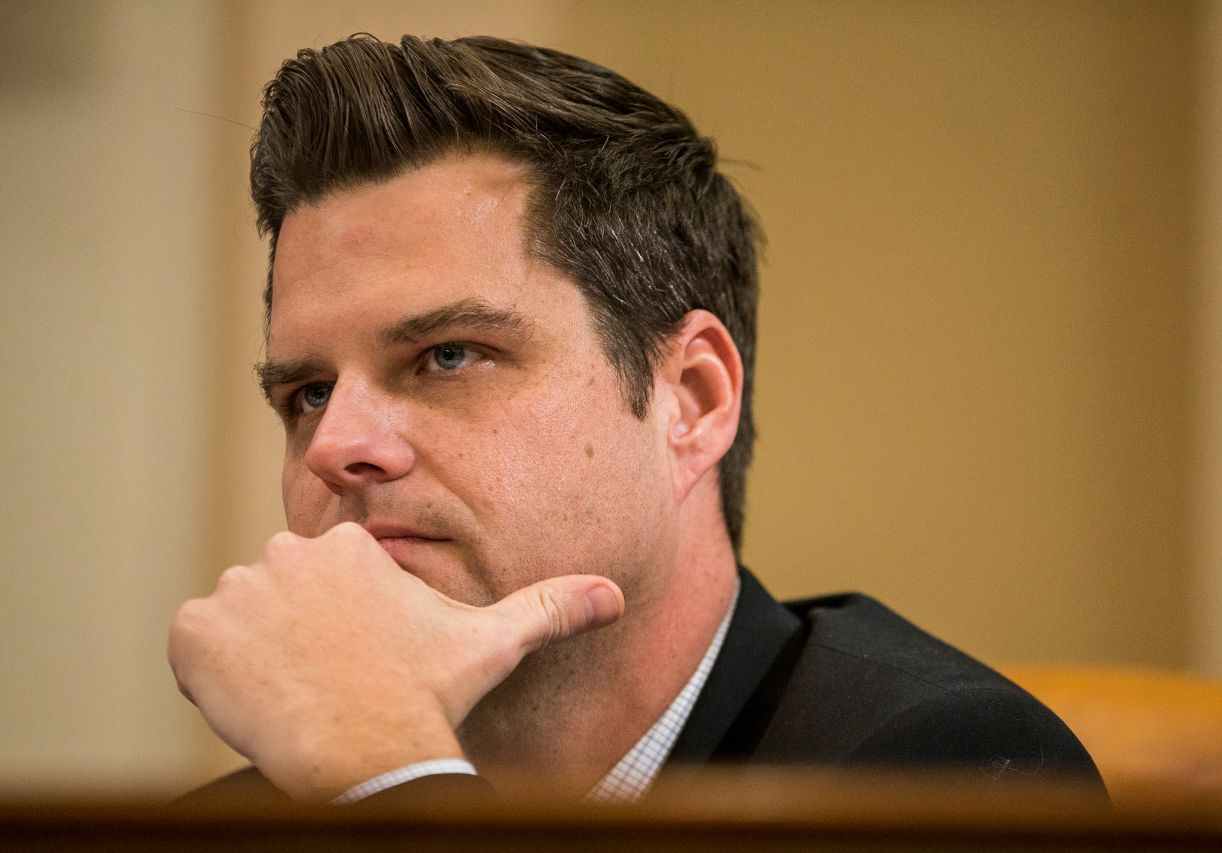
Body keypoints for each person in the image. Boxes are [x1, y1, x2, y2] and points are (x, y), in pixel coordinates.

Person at [169, 34, 1104, 805]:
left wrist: (389, 785)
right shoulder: (244, 820)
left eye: (449, 355)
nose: (335, 447)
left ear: (690, 401)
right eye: (309, 393)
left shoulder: (933, 768)